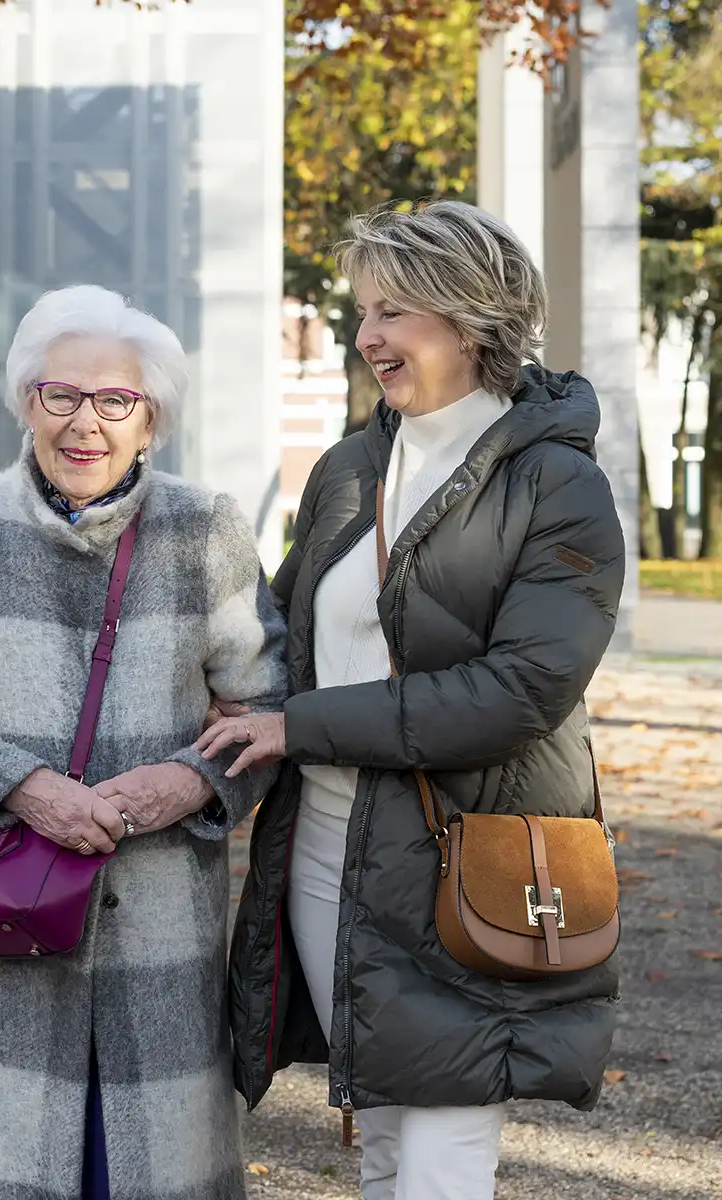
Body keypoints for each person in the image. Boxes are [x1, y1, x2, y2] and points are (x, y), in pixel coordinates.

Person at [200, 201, 626, 1200]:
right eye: (364, 312)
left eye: (393, 312)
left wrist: (297, 728)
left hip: (471, 852)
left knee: (443, 1143)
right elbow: (281, 630)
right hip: (326, 849)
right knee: (384, 1134)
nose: (367, 336)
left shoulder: (558, 486)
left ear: (471, 317)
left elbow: (518, 692)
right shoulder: (353, 468)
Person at [0, 283, 288, 1200]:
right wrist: (20, 785)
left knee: (139, 1166)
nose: (85, 422)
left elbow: (266, 711)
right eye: (63, 395)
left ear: (150, 421)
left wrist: (185, 781)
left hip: (154, 930)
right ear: (28, 402)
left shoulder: (204, 531)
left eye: (115, 401)